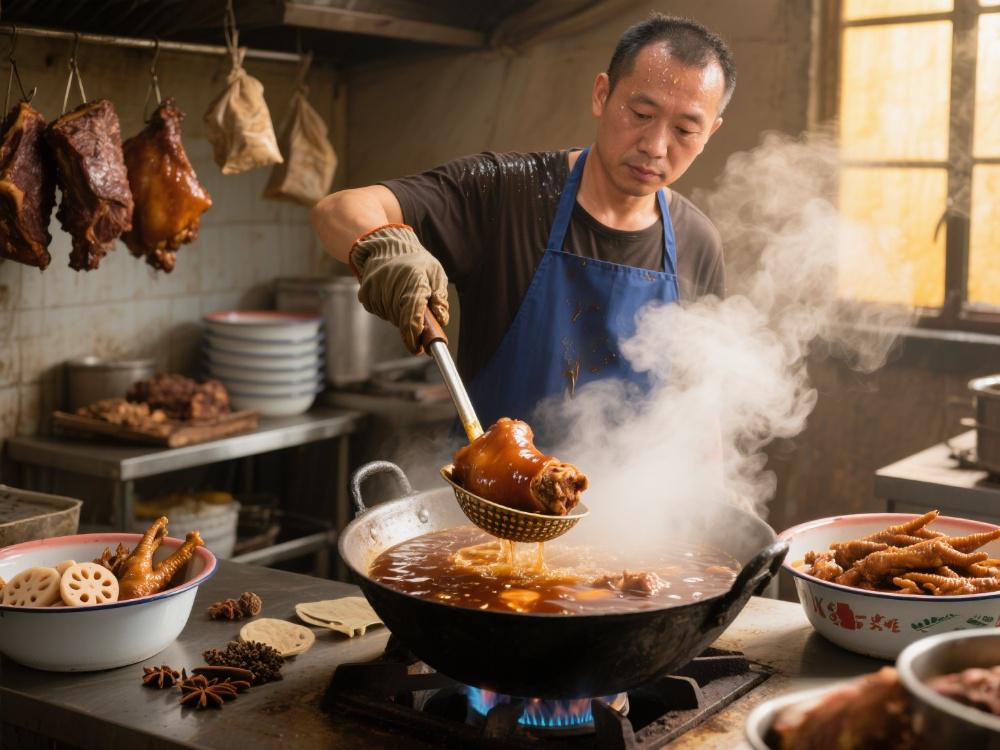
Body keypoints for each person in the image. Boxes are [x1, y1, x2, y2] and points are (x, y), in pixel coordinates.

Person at [311, 13, 734, 437]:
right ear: (602, 95)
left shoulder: (697, 242)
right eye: (642, 113)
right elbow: (339, 209)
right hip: (491, 498)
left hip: (629, 502)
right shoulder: (506, 192)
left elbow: (698, 402)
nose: (656, 146)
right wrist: (386, 245)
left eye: (684, 129)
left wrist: (715, 495)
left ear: (710, 134)